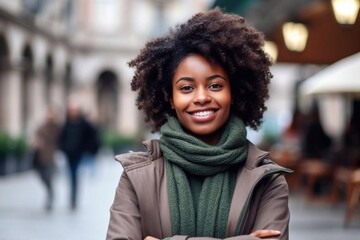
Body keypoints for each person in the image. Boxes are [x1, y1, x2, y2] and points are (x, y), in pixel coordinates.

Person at [107, 8, 292, 240]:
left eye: (215, 85)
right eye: (186, 88)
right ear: (170, 98)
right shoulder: (137, 177)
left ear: (233, 93)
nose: (201, 97)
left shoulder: (267, 180)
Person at [59, 101, 95, 210]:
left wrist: (87, 148)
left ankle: (73, 199)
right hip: (68, 153)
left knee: (74, 174)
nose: (73, 113)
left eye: (75, 110)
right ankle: (72, 198)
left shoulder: (84, 123)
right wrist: (63, 148)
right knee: (71, 175)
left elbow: (92, 136)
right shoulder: (66, 123)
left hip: (79, 153)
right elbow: (61, 137)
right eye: (71, 110)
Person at [32, 107, 61, 211]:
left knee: (49, 177)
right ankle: (49, 191)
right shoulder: (42, 127)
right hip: (41, 156)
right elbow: (36, 136)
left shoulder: (58, 128)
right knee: (42, 176)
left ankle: (50, 195)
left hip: (52, 157)